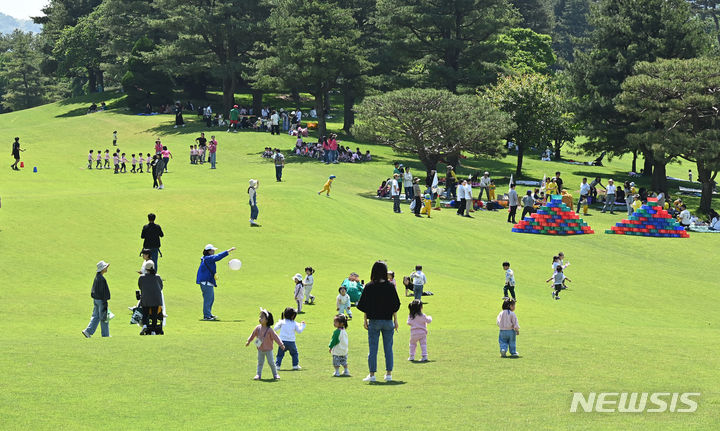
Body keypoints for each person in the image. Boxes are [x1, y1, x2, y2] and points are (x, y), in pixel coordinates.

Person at [357, 261, 401, 382]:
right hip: (387, 321)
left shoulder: (369, 286)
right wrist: (395, 319)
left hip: (374, 321)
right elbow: (396, 305)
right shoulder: (391, 286)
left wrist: (365, 319)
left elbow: (362, 305)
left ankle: (372, 375)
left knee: (373, 349)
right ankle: (388, 374)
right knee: (388, 349)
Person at [195, 244, 236, 320]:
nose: (214, 251)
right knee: (208, 299)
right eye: (212, 250)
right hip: (206, 282)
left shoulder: (206, 258)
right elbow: (218, 257)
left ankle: (209, 314)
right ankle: (206, 316)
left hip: (207, 281)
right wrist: (228, 251)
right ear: (209, 251)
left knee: (211, 298)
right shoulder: (208, 258)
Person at [246, 308, 285, 380]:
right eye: (260, 317)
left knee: (271, 363)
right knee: (260, 363)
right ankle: (258, 374)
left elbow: (276, 337)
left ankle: (275, 374)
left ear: (267, 320)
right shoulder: (258, 328)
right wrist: (249, 341)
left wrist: (281, 344)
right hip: (260, 349)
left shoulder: (270, 330)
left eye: (262, 317)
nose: (260, 319)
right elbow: (253, 335)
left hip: (268, 350)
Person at [82, 261, 111, 338]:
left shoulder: (97, 277)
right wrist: (105, 302)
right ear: (102, 269)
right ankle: (106, 335)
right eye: (105, 267)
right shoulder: (101, 279)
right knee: (104, 318)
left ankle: (88, 331)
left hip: (96, 300)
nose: (107, 268)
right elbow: (103, 292)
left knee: (96, 316)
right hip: (101, 300)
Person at [138, 261, 164, 335]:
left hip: (145, 298)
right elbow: (161, 287)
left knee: (145, 313)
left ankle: (145, 325)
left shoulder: (142, 277)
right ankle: (153, 330)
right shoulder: (157, 277)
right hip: (156, 299)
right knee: (154, 315)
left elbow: (140, 287)